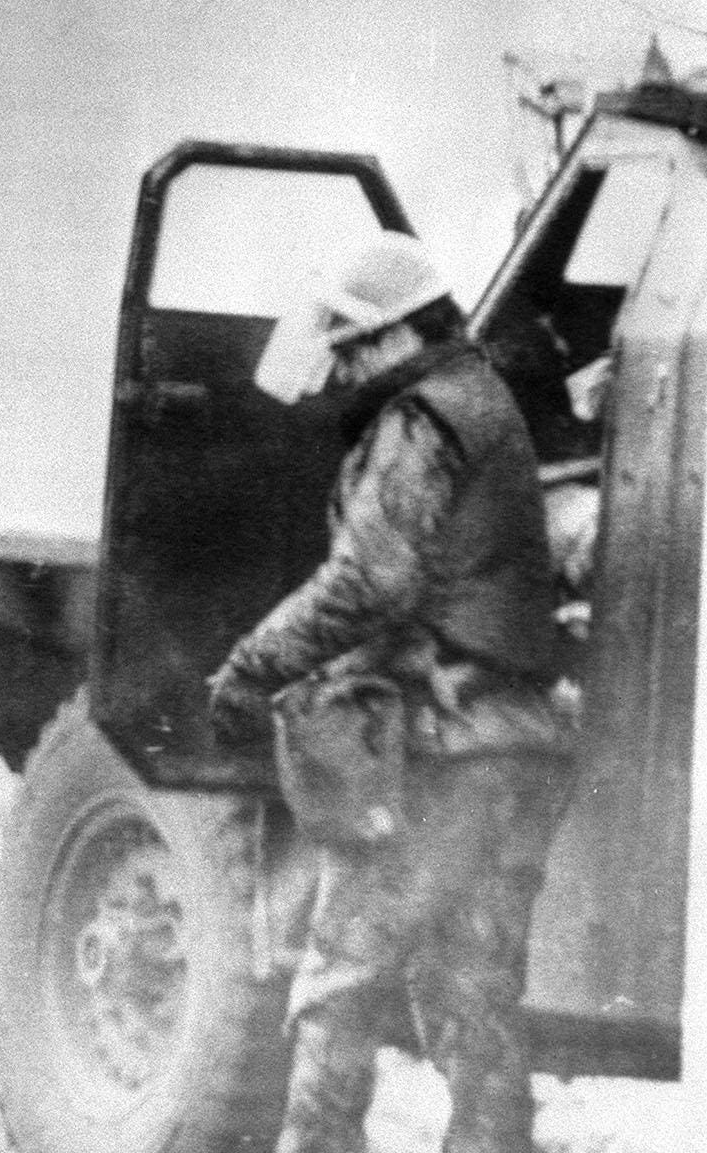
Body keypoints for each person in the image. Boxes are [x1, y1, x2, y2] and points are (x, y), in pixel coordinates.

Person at [205, 230, 578, 1153]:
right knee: (473, 994)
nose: (343, 371)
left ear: (397, 336)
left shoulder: (423, 420)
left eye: (355, 348)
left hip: (439, 753)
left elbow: (369, 582)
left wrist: (253, 666)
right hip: (517, 744)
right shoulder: (485, 402)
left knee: (340, 982)